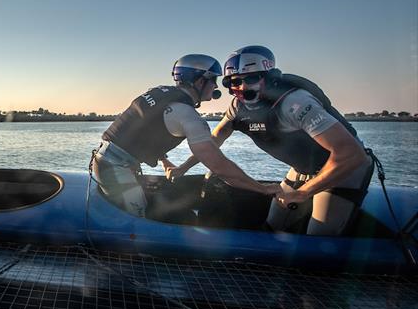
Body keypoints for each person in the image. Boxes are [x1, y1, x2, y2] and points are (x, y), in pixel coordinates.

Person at [168, 46, 372, 235]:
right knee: (274, 221)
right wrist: (184, 167)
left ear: (270, 77)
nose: (242, 87)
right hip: (304, 168)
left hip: (344, 169)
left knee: (318, 236)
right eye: (234, 82)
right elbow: (212, 142)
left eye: (251, 79)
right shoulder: (237, 107)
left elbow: (351, 154)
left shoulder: (295, 102)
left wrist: (305, 192)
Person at [92, 54, 282, 218]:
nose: (215, 87)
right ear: (200, 82)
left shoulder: (159, 93)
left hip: (107, 160)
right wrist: (263, 189)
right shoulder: (187, 115)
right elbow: (219, 166)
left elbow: (145, 130)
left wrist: (165, 161)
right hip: (116, 168)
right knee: (136, 220)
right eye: (213, 81)